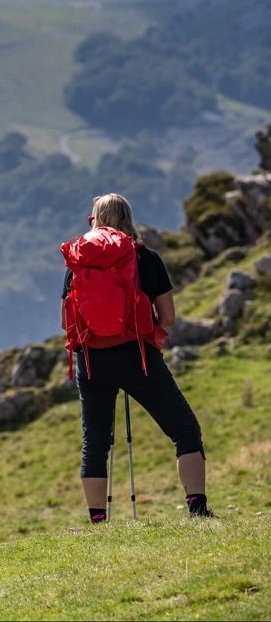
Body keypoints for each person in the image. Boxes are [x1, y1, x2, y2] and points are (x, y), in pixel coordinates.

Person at [61, 193, 215, 521]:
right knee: (185, 429)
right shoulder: (146, 259)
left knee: (96, 442)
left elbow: (67, 322)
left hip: (92, 361)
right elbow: (169, 317)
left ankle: (98, 520)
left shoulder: (79, 262)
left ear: (95, 220)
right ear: (128, 219)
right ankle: (198, 510)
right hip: (137, 357)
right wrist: (142, 329)